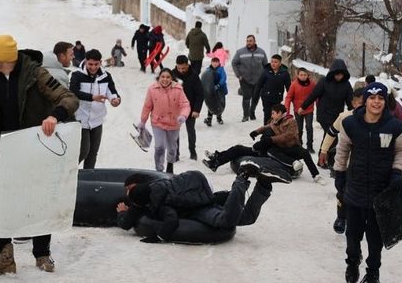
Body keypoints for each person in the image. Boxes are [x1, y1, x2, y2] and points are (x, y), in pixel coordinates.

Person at [0, 35, 78, 275]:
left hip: (34, 145)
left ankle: (42, 252)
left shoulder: (35, 74)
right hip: (5, 145)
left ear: (2, 58)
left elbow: (68, 99)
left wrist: (54, 116)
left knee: (38, 197)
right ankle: (3, 254)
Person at [334, 82, 402, 283]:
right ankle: (352, 263)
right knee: (352, 235)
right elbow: (342, 150)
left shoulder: (395, 127)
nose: (376, 102)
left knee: (376, 239)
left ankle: (373, 272)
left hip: (381, 193)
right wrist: (339, 174)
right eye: (372, 98)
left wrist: (396, 173)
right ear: (365, 100)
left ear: (385, 101)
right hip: (355, 190)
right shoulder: (351, 124)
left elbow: (401, 152)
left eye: (381, 98)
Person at [117, 163, 290, 241]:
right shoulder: (156, 185)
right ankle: (264, 185)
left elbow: (172, 219)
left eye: (129, 189)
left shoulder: (159, 203)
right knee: (246, 218)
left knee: (226, 220)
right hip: (203, 190)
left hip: (198, 207)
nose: (127, 192)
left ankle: (242, 176)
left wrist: (159, 237)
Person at [320, 88, 365, 234]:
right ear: (353, 102)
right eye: (360, 103)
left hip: (364, 165)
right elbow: (331, 133)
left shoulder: (375, 119)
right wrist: (324, 150)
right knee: (342, 191)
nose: (363, 106)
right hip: (345, 163)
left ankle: (360, 221)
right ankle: (341, 218)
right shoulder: (345, 116)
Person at [70, 49, 121, 169]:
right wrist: (92, 97)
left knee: (93, 153)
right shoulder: (77, 75)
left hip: (97, 120)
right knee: (83, 151)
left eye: (96, 64)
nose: (93, 67)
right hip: (81, 120)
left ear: (100, 62)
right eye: (90, 64)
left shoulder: (106, 76)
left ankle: (88, 177)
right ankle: (69, 172)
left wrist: (115, 100)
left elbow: (112, 91)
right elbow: (73, 92)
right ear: (86, 62)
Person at [301, 58, 354, 167]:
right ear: (332, 73)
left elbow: (350, 101)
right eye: (336, 74)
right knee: (332, 137)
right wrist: (303, 107)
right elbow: (313, 95)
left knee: (328, 136)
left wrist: (354, 112)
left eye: (341, 75)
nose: (339, 77)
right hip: (324, 114)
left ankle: (322, 160)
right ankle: (330, 162)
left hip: (336, 116)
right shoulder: (324, 81)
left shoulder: (346, 85)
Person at [138, 68, 191, 173]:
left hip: (174, 123)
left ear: (172, 78)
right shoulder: (152, 89)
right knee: (160, 147)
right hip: (158, 123)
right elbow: (147, 106)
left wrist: (183, 116)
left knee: (172, 149)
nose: (165, 79)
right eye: (162, 77)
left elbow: (185, 105)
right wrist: (143, 121)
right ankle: (159, 169)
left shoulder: (178, 89)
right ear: (159, 77)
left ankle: (170, 165)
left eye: (168, 77)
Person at [172, 55, 205, 160]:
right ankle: (175, 153)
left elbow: (200, 94)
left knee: (190, 130)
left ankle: (192, 151)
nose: (181, 70)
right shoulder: (172, 75)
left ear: (187, 65)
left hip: (190, 109)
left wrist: (196, 110)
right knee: (175, 131)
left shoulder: (194, 76)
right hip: (176, 108)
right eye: (179, 68)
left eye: (183, 68)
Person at [231, 35, 268, 122]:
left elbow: (266, 65)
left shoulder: (261, 52)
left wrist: (265, 77)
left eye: (250, 41)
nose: (249, 42)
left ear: (254, 41)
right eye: (247, 41)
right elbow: (234, 63)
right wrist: (238, 75)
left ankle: (252, 112)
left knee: (256, 97)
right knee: (246, 97)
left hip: (258, 80)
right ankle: (245, 115)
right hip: (244, 79)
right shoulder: (240, 52)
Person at [251, 54, 292, 122]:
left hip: (277, 98)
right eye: (272, 61)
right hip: (266, 97)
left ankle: (274, 131)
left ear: (280, 63)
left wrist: (290, 98)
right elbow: (259, 85)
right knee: (267, 115)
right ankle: (266, 132)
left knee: (276, 116)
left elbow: (289, 87)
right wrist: (255, 96)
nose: (273, 64)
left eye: (275, 62)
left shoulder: (284, 73)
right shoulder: (265, 71)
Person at [284, 67, 317, 152]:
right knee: (299, 128)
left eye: (305, 75)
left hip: (309, 109)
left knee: (309, 127)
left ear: (307, 75)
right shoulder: (294, 84)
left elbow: (316, 96)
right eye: (301, 75)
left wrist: (319, 107)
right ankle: (299, 144)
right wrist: (286, 111)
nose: (303, 76)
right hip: (298, 110)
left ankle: (310, 146)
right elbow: (289, 97)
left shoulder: (312, 84)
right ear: (297, 75)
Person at [201, 56, 228, 126]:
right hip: (211, 91)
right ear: (211, 63)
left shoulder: (221, 70)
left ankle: (219, 117)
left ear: (219, 63)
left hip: (220, 90)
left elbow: (223, 78)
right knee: (211, 104)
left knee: (220, 103)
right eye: (214, 62)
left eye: (217, 62)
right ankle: (209, 119)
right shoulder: (208, 70)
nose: (215, 64)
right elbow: (205, 80)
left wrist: (218, 85)